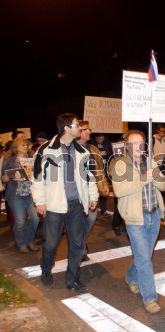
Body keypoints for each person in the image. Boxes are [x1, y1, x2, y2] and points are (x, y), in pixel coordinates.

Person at [31, 113, 99, 291]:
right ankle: (46, 269)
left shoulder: (82, 151)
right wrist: (40, 201)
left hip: (76, 204)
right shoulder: (46, 149)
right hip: (54, 206)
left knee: (77, 244)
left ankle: (72, 278)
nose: (81, 128)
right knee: (51, 244)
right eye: (77, 125)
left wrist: (93, 196)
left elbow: (89, 175)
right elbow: (37, 177)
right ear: (67, 128)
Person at [109, 129, 165, 314]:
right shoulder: (120, 165)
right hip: (135, 218)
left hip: (154, 215)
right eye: (133, 143)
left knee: (145, 255)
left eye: (140, 143)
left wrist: (155, 178)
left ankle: (130, 276)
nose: (137, 147)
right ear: (126, 146)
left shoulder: (150, 162)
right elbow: (119, 191)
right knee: (144, 259)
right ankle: (150, 298)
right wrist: (144, 179)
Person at [77, 121, 110, 262]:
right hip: (77, 191)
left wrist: (104, 184)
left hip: (92, 189)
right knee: (77, 221)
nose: (89, 132)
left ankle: (81, 242)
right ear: (78, 132)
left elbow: (99, 169)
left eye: (89, 129)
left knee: (91, 218)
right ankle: (80, 248)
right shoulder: (70, 148)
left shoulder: (93, 149)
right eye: (86, 129)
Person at [1, 137, 40, 253]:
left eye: (26, 145)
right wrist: (6, 178)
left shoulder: (32, 159)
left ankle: (30, 241)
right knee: (20, 221)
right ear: (16, 148)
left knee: (35, 219)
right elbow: (3, 177)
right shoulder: (9, 160)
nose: (25, 146)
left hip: (30, 194)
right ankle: (21, 243)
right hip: (16, 194)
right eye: (23, 145)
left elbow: (39, 175)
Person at [90, 132, 113, 217]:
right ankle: (92, 208)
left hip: (104, 169)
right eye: (100, 138)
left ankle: (103, 211)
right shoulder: (92, 146)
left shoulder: (107, 145)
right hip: (96, 170)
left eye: (102, 138)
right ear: (96, 138)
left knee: (103, 190)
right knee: (94, 189)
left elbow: (110, 156)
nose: (101, 139)